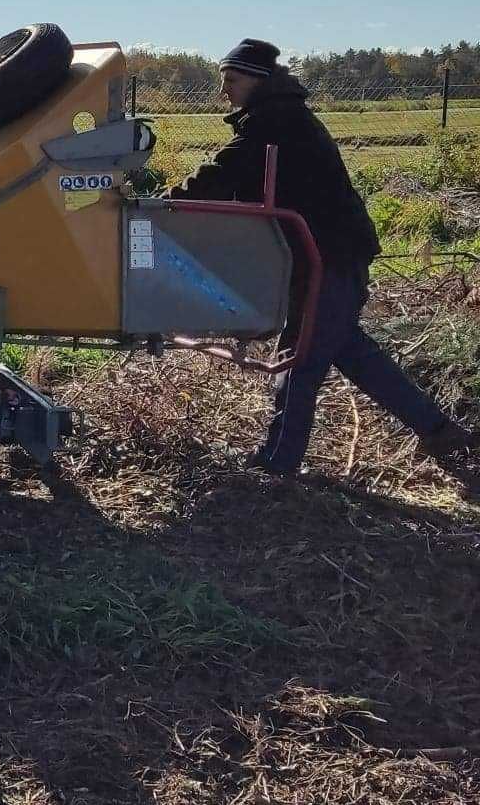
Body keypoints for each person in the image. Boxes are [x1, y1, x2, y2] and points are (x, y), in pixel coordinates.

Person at [173, 38, 473, 479]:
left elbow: (221, 176)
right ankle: (438, 429)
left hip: (328, 257)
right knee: (351, 352)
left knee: (299, 358)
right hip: (330, 253)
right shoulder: (278, 117)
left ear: (257, 81)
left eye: (232, 80)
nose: (225, 90)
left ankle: (277, 464)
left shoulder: (276, 123)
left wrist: (165, 205)